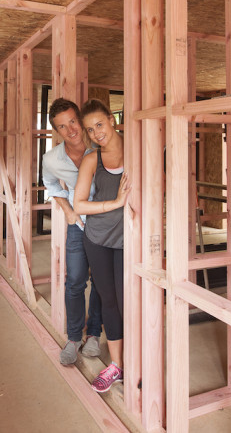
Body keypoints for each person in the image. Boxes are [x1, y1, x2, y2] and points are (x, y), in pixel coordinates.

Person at [73, 99, 131, 393]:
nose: (96, 133)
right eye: (90, 129)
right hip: (97, 239)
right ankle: (117, 366)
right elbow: (79, 204)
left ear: (112, 119)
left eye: (100, 125)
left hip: (127, 242)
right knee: (109, 302)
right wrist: (116, 203)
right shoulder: (92, 159)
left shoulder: (137, 150)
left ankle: (137, 361)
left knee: (128, 301)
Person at [42, 98, 103, 365]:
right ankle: (74, 337)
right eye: (62, 127)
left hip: (105, 224)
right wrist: (67, 211)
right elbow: (51, 185)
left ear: (80, 119)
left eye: (73, 122)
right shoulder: (51, 159)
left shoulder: (103, 145)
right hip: (78, 226)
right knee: (75, 281)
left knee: (102, 283)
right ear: (57, 131)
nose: (71, 130)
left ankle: (94, 335)